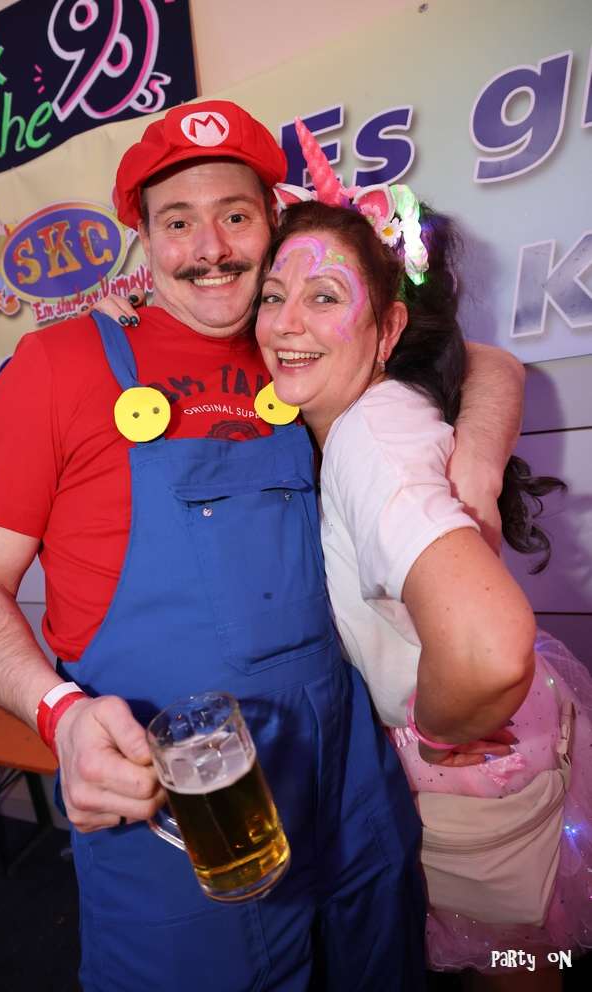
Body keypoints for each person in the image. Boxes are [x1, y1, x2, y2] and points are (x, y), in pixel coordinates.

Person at [0, 100, 526, 992]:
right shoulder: (58, 366)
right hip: (177, 806)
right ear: (142, 237)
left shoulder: (296, 345)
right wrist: (58, 714)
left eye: (235, 216)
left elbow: (484, 363)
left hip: (351, 789)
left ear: (270, 224)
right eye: (177, 222)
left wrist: (474, 467)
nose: (208, 247)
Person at [251, 122, 592, 990]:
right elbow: (490, 361)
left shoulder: (368, 439)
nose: (284, 323)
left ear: (387, 326)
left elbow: (484, 648)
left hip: (474, 752)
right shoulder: (373, 406)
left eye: (324, 296)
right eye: (273, 295)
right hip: (505, 739)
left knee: (517, 966)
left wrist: (439, 730)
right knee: (529, 950)